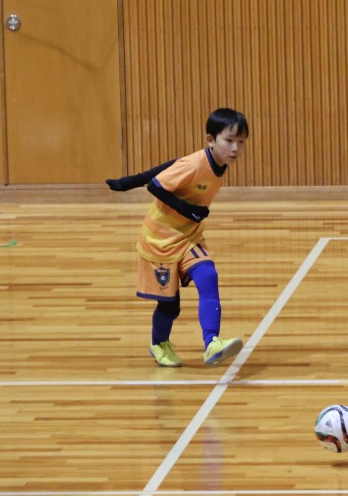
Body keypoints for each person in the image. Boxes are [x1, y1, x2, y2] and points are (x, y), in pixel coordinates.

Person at [106, 108, 248, 367]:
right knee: (170, 307)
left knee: (208, 275)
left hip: (188, 237)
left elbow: (172, 165)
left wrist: (130, 181)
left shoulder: (216, 164)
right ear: (210, 140)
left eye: (241, 142)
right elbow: (156, 185)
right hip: (159, 241)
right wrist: (187, 209)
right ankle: (159, 344)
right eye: (229, 140)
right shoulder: (196, 164)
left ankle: (211, 343)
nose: (235, 148)